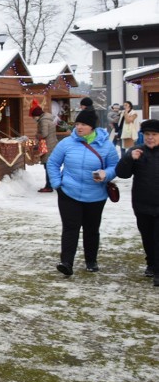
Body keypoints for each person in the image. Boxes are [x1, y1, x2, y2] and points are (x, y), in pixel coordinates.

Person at [46, 108, 119, 276]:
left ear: (92, 127)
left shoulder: (105, 145)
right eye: (77, 124)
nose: (79, 127)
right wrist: (58, 185)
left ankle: (91, 260)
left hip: (96, 195)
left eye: (83, 124)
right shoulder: (66, 143)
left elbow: (115, 167)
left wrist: (105, 174)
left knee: (91, 229)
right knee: (70, 228)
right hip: (69, 193)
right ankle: (66, 262)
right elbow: (53, 163)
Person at [114, 119, 159, 285]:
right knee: (148, 237)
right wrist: (129, 159)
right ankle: (152, 264)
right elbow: (122, 173)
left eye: (154, 134)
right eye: (147, 134)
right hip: (142, 204)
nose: (150, 138)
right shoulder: (136, 151)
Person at [31, 104, 59, 192]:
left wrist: (37, 135)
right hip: (51, 144)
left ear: (37, 115)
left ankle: (49, 186)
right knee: (50, 166)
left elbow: (44, 134)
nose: (33, 119)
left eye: (33, 116)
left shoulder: (43, 121)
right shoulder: (48, 118)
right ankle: (51, 184)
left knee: (48, 166)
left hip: (47, 146)